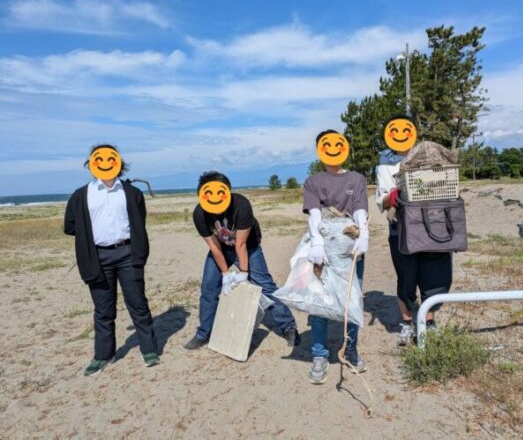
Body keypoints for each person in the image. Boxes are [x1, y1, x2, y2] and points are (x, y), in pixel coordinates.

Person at [64, 144, 159, 376]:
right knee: (103, 310)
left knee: (138, 304)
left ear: (118, 162)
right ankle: (103, 355)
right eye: (99, 159)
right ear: (91, 164)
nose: (105, 163)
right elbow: (70, 226)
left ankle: (149, 350)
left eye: (110, 158)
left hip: (128, 254)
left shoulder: (132, 193)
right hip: (97, 258)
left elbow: (139, 221)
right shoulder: (81, 195)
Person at [183, 171, 300, 350]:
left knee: (265, 285)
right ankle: (204, 333)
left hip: (249, 247)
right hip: (221, 249)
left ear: (227, 191)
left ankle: (288, 327)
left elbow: (241, 244)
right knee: (208, 289)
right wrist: (225, 274)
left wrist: (243, 274)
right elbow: (214, 246)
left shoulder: (241, 205)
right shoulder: (200, 213)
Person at [375, 116, 452, 345]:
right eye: (394, 130)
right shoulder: (385, 166)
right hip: (401, 229)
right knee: (406, 278)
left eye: (405, 129)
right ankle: (407, 323)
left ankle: (429, 322)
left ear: (414, 132)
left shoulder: (431, 158)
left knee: (435, 275)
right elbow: (382, 202)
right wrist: (394, 195)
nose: (400, 134)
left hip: (433, 227)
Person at [303, 130, 369, 384]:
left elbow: (360, 209)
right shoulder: (313, 181)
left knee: (352, 298)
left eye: (337, 144)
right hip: (324, 248)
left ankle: (350, 350)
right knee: (320, 301)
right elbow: (314, 214)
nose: (332, 149)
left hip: (350, 247)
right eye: (326, 145)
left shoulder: (356, 179)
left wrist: (364, 234)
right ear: (320, 150)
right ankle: (319, 353)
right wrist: (317, 243)